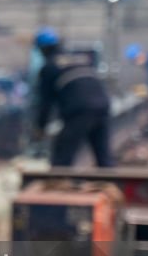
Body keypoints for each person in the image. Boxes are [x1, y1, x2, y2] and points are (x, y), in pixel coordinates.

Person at [32, 27, 114, 167]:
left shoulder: (49, 67)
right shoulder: (80, 58)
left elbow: (45, 102)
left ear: (42, 49)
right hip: (103, 105)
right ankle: (111, 183)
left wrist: (40, 128)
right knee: (103, 156)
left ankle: (58, 184)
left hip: (80, 110)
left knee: (62, 157)